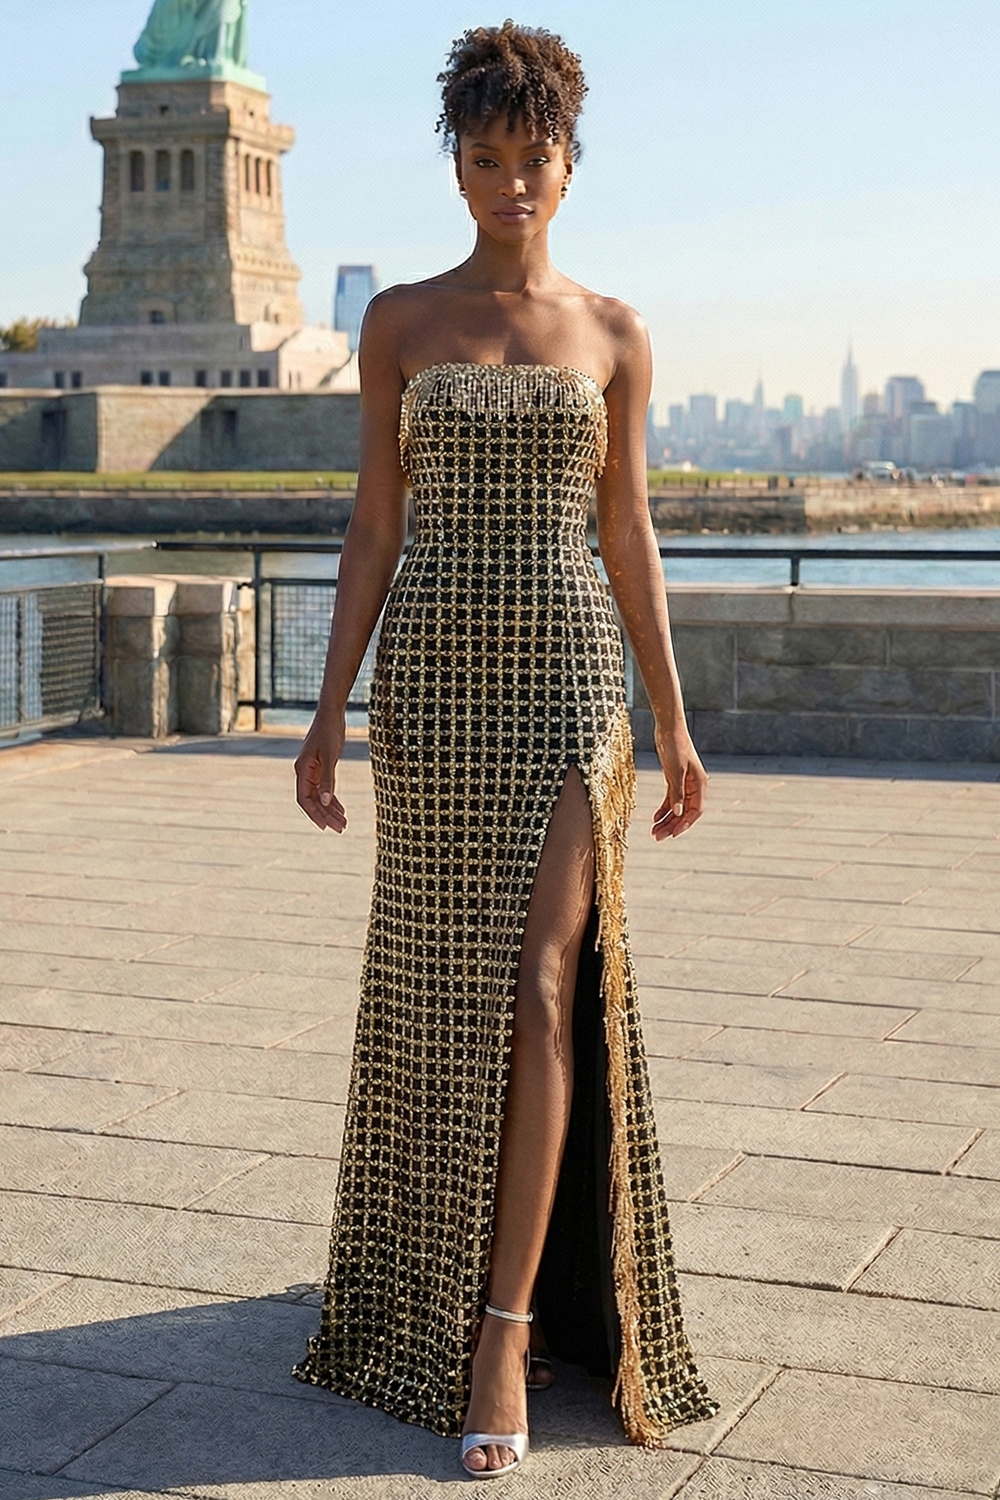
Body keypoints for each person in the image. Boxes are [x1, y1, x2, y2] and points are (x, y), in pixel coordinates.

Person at [293, 21, 718, 1480]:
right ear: (457, 162)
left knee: (543, 987)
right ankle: (411, 1282)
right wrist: (327, 712)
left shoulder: (614, 331)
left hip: (563, 691)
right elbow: (373, 524)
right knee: (435, 994)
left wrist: (671, 724)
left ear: (569, 162)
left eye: (533, 160)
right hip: (431, 694)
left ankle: (502, 1329)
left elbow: (629, 534)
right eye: (485, 160)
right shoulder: (402, 322)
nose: (510, 185)